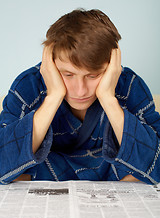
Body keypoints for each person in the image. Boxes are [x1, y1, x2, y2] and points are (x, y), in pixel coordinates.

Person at [0, 9, 160, 185]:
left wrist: (108, 98)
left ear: (112, 65)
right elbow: (3, 163)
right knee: (15, 169)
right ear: (50, 64)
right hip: (55, 169)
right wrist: (53, 97)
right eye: (68, 75)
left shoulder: (130, 86)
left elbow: (156, 163)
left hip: (105, 170)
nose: (80, 91)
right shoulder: (28, 85)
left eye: (93, 76)